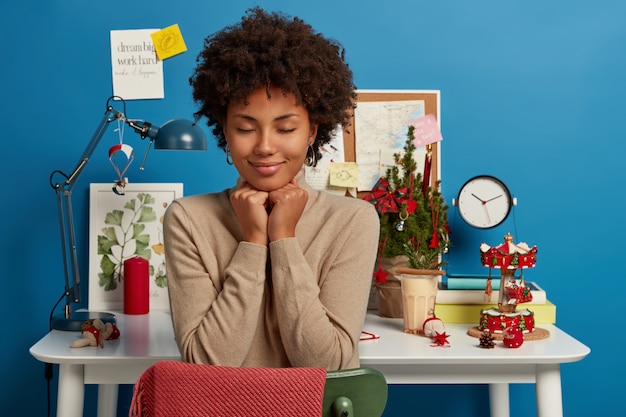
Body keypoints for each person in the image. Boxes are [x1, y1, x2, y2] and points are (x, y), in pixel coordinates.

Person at [163, 7, 379, 371]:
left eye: (285, 128)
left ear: (312, 132)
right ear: (225, 133)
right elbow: (207, 364)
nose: (264, 146)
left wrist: (283, 239)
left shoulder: (353, 220)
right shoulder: (188, 219)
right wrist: (252, 243)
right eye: (246, 129)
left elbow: (328, 365)